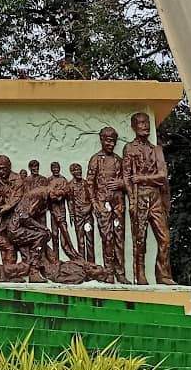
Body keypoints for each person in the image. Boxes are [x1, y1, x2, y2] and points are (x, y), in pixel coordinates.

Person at [121, 111, 175, 286]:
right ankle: (140, 274)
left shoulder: (156, 150)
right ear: (134, 126)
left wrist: (143, 178)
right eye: (141, 122)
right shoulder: (129, 148)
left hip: (155, 197)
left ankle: (163, 274)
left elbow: (162, 176)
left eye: (147, 122)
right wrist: (132, 200)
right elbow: (126, 177)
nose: (145, 125)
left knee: (164, 238)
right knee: (140, 238)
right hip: (139, 196)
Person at [87, 126, 129, 284]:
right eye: (108, 141)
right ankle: (109, 271)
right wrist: (94, 204)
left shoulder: (119, 160)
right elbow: (89, 184)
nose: (111, 144)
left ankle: (120, 272)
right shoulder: (96, 159)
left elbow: (129, 181)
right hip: (102, 204)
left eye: (113, 141)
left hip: (118, 204)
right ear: (102, 140)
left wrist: (121, 183)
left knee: (119, 237)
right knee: (107, 238)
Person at [46, 159, 79, 260]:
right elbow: (48, 195)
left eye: (57, 168)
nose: (56, 170)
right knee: (54, 234)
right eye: (54, 168)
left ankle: (72, 254)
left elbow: (69, 197)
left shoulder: (63, 180)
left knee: (64, 233)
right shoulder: (49, 180)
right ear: (51, 169)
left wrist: (71, 213)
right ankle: (56, 258)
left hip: (61, 210)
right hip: (53, 210)